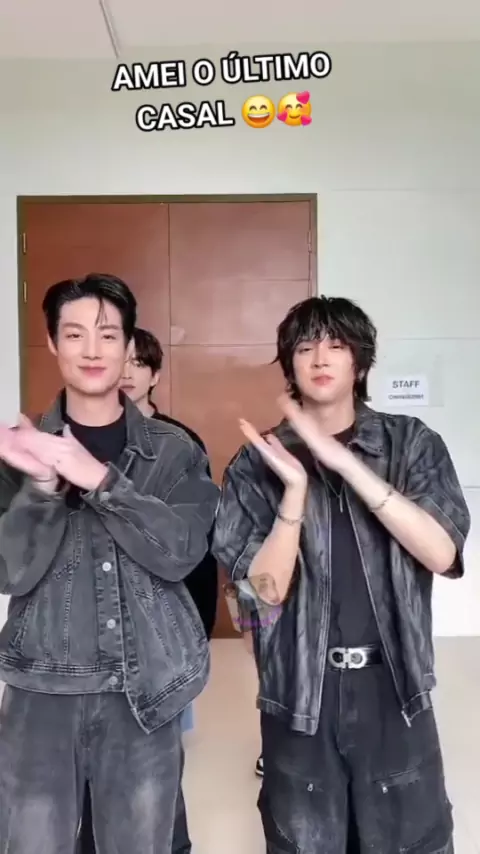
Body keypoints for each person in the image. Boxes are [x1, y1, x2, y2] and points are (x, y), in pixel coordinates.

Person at [212, 295, 470, 854]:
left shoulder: (411, 444)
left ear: (360, 360)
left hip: (395, 688)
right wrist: (295, 495)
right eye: (305, 347)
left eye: (336, 344)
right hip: (300, 695)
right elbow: (259, 599)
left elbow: (441, 551)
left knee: (412, 839)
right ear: (290, 363)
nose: (320, 358)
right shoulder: (257, 462)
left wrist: (345, 463)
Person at [0, 273, 219, 854]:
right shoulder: (21, 451)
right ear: (53, 343)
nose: (92, 350)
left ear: (128, 346)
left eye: (107, 334)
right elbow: (9, 572)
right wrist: (41, 488)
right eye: (74, 334)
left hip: (145, 688)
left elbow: (181, 553)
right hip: (41, 686)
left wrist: (101, 480)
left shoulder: (174, 451)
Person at [77, 326, 218, 854]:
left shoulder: (179, 444)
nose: (129, 371)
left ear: (155, 374)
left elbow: (194, 547)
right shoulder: (74, 438)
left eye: (141, 363)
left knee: (155, 762)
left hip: (158, 625)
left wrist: (194, 630)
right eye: (124, 359)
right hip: (91, 636)